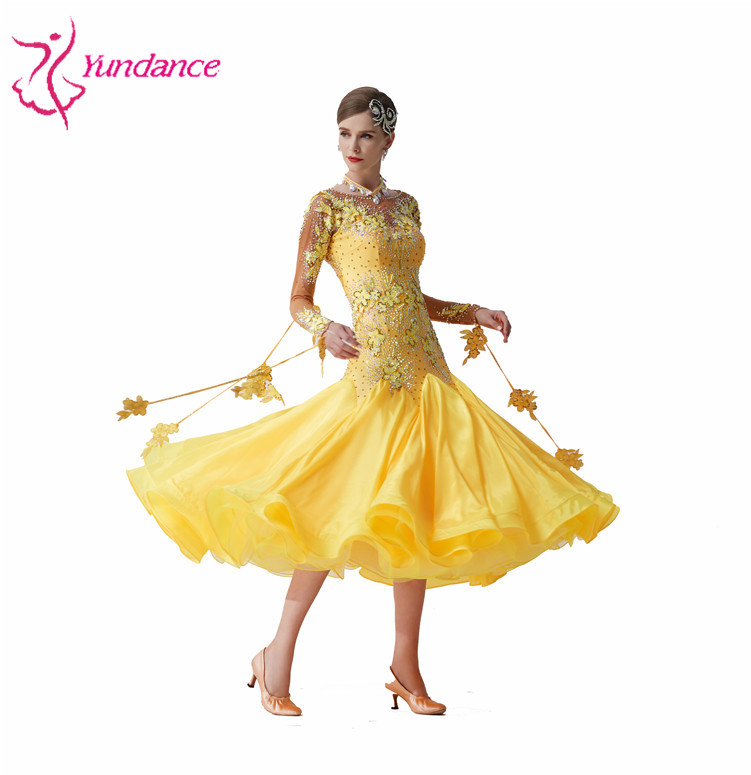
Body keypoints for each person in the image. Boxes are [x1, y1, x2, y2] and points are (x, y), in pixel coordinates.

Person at [125, 86, 620, 718]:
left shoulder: (406, 205)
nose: (352, 146)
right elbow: (298, 297)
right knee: (324, 515)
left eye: (365, 135)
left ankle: (405, 668)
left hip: (428, 381)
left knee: (414, 518)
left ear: (388, 139)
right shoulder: (326, 206)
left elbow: (410, 293)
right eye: (344, 134)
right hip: (371, 382)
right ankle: (275, 659)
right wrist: (323, 329)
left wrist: (474, 311)